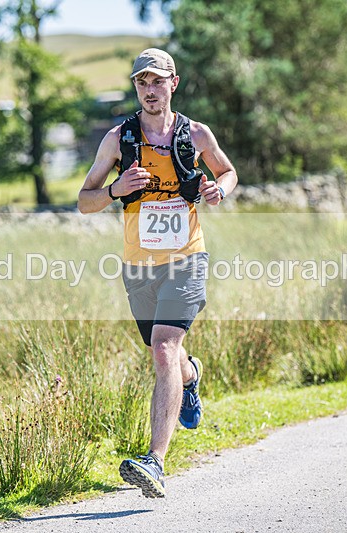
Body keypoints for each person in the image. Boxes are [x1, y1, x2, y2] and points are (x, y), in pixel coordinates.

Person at [77, 48, 237, 498]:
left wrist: (217, 191)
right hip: (138, 265)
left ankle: (155, 462)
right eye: (141, 82)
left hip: (187, 257)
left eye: (157, 81)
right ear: (136, 88)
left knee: (165, 349)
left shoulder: (196, 134)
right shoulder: (117, 140)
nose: (150, 90)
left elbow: (229, 172)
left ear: (174, 83)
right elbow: (83, 201)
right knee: (165, 354)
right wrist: (114, 189)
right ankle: (192, 376)